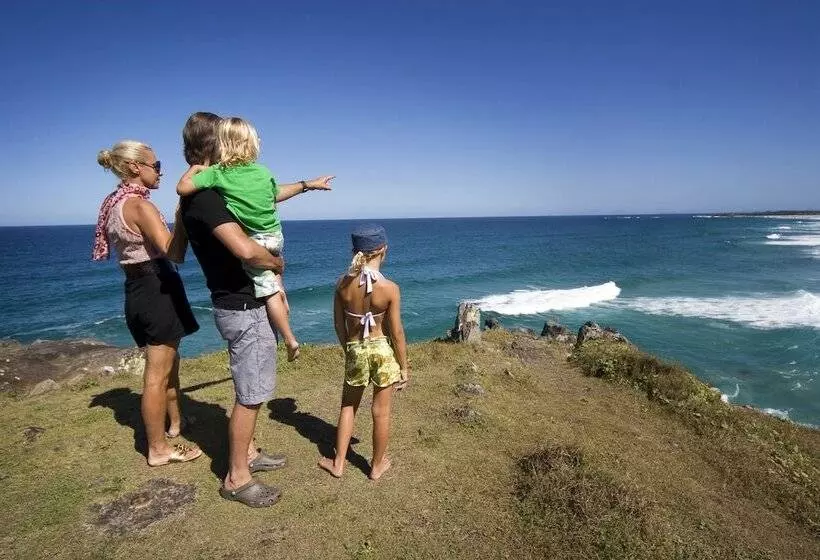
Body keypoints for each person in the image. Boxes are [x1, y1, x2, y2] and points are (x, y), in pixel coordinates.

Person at [178, 111, 333, 507]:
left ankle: (247, 453)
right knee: (251, 392)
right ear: (216, 146)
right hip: (242, 305)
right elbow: (247, 250)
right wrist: (278, 265)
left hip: (242, 301)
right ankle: (236, 478)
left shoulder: (213, 191)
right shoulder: (207, 198)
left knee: (254, 387)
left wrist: (306, 185)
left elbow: (267, 194)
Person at [176, 116, 333, 361]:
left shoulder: (217, 176)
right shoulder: (261, 173)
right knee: (275, 283)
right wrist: (277, 264)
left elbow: (183, 189)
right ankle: (282, 299)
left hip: (255, 260)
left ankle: (290, 336)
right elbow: (271, 195)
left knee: (269, 290)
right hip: (274, 239)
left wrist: (195, 170)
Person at [92, 140, 201, 467]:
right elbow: (173, 250)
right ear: (135, 168)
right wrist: (184, 211)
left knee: (169, 363)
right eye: (156, 166)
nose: (161, 172)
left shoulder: (114, 203)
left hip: (137, 288)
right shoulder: (140, 206)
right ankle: (158, 449)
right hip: (157, 288)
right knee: (157, 374)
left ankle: (176, 423)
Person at [318, 224, 409, 480]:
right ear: (383, 250)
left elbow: (338, 323)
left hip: (356, 348)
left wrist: (349, 347)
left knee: (348, 405)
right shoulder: (390, 288)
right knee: (381, 412)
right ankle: (377, 466)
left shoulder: (342, 284)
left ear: (355, 251)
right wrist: (403, 366)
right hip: (382, 350)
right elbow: (397, 332)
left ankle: (338, 463)